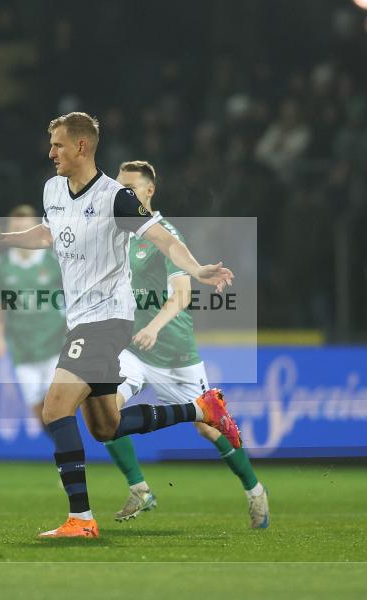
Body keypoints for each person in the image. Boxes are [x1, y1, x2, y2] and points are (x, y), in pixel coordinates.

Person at [0, 112, 238, 539]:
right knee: (105, 427)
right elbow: (47, 235)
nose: (50, 152)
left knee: (55, 407)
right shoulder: (52, 189)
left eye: (58, 144)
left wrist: (198, 269)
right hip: (81, 319)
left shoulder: (115, 198)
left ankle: (81, 519)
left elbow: (162, 238)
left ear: (81, 146)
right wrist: (0, 238)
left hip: (107, 319)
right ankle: (201, 408)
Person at [105, 160, 269, 528]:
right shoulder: (122, 234)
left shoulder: (164, 234)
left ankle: (255, 489)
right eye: (118, 189)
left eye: (129, 188)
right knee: (104, 412)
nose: (121, 195)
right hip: (132, 350)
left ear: (149, 191)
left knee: (209, 427)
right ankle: (141, 490)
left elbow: (181, 296)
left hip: (174, 353)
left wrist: (155, 328)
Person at [0, 204, 65, 429]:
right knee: (37, 408)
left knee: (58, 402)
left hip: (55, 342)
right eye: (16, 228)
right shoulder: (2, 264)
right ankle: (63, 449)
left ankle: (70, 453)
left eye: (26, 228)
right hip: (22, 347)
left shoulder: (53, 260)